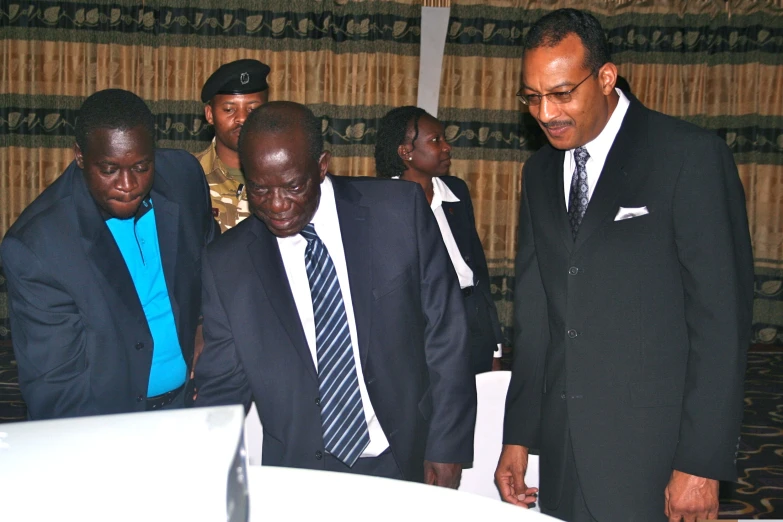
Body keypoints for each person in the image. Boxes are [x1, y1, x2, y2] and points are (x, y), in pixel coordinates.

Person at [495, 9, 753, 522]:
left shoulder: (688, 157)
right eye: (532, 97)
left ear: (607, 78)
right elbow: (537, 313)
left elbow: (721, 322)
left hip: (654, 454)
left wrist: (700, 462)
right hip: (566, 451)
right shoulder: (540, 171)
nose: (546, 113)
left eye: (562, 93)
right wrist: (519, 435)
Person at [193, 101, 476, 486]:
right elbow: (223, 387)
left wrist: (447, 446)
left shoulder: (397, 212)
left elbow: (446, 331)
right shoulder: (227, 263)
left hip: (402, 456)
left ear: (322, 165)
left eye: (294, 186)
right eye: (260, 188)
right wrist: (203, 472)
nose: (277, 205)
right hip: (300, 473)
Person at [0, 89, 219, 419]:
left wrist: (205, 324)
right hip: (106, 423)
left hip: (191, 405)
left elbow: (213, 260)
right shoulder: (38, 247)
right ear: (80, 156)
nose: (127, 184)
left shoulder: (183, 177)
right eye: (109, 169)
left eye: (141, 166)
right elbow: (57, 387)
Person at [375, 106, 504, 374]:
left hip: (472, 318)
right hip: (422, 329)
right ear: (405, 152)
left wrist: (494, 344)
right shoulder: (382, 204)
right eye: (436, 140)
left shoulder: (456, 191)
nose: (447, 147)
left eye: (444, 139)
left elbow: (477, 267)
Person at [195, 59, 271, 232]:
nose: (242, 118)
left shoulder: (287, 177)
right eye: (229, 109)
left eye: (252, 109)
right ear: (210, 114)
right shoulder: (187, 176)